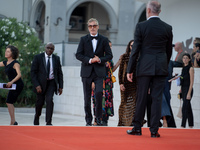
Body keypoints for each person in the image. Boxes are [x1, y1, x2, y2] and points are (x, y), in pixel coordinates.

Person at [126, 1, 173, 138]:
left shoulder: (141, 26)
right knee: (157, 98)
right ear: (159, 11)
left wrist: (130, 69)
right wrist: (164, 63)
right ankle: (154, 130)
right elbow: (168, 51)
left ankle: (137, 128)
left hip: (144, 67)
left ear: (148, 10)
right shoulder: (167, 27)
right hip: (160, 67)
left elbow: (135, 50)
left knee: (141, 98)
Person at [76, 18, 113, 126]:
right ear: (88, 27)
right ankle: (88, 120)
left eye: (94, 26)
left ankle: (98, 119)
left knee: (98, 94)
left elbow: (110, 55)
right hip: (86, 72)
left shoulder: (104, 39)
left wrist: (100, 59)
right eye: (90, 26)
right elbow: (78, 55)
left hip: (99, 72)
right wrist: (90, 60)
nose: (92, 28)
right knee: (87, 97)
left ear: (98, 26)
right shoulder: (83, 39)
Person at [31, 42, 63, 126]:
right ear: (45, 48)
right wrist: (37, 85)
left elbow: (59, 73)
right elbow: (33, 73)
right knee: (39, 103)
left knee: (49, 100)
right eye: (48, 48)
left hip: (51, 83)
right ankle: (37, 117)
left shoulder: (56, 58)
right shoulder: (38, 57)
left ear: (53, 50)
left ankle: (48, 122)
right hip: (40, 84)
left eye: (51, 48)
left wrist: (61, 86)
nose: (49, 50)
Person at [92, 40, 121, 126]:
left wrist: (119, 61)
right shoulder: (97, 56)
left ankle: (105, 120)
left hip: (108, 84)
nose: (110, 48)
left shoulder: (109, 57)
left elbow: (111, 70)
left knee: (107, 101)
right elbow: (93, 70)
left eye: (111, 46)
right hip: (99, 82)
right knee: (98, 100)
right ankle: (97, 120)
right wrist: (93, 81)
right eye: (109, 46)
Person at [0, 45, 24, 125]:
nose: (6, 52)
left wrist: (11, 82)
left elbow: (19, 75)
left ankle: (13, 121)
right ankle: (13, 121)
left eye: (8, 51)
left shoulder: (15, 63)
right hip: (13, 85)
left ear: (12, 53)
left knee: (9, 102)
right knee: (9, 102)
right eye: (6, 51)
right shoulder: (5, 63)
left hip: (18, 84)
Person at [118, 40, 137, 126]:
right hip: (125, 83)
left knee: (134, 104)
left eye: (134, 45)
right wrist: (120, 83)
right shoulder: (124, 56)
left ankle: (131, 122)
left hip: (135, 83)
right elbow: (120, 71)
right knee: (124, 103)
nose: (132, 47)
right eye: (131, 46)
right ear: (129, 46)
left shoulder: (139, 56)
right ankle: (122, 122)